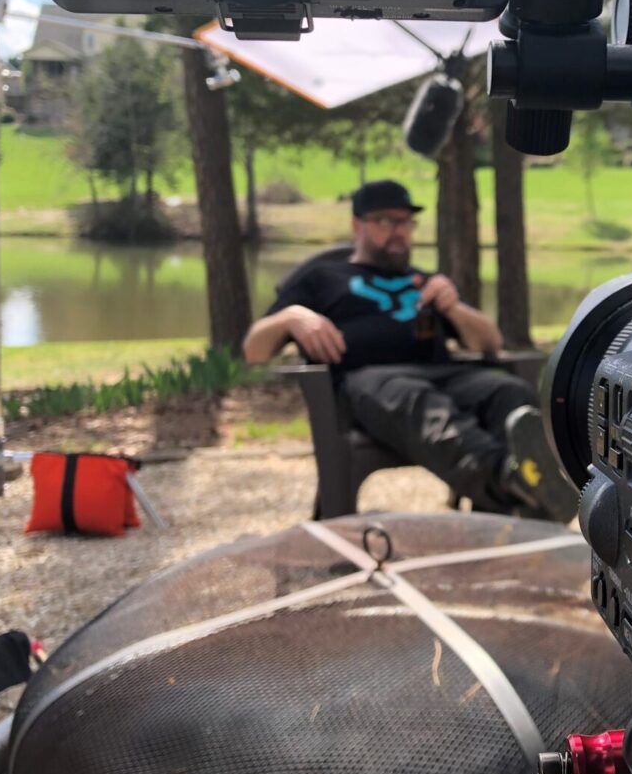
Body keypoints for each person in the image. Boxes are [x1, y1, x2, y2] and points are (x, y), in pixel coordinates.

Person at [243, 179, 577, 521]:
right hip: (368, 384)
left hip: (446, 376)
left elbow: (490, 343)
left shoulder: (428, 282)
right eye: (386, 221)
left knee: (510, 391)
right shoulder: (323, 277)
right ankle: (509, 483)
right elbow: (254, 350)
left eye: (405, 222)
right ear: (357, 225)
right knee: (418, 401)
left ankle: (529, 504)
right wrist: (291, 317)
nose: (399, 231)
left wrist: (455, 309)